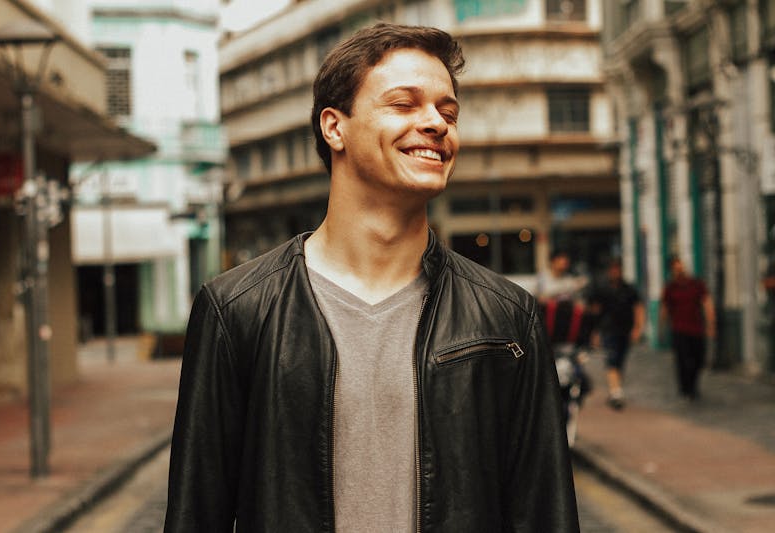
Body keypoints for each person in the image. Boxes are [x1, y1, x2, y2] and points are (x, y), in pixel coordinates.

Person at [165, 23, 577, 532]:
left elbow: (545, 514)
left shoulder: (507, 316)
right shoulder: (238, 310)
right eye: (405, 105)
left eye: (448, 112)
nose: (436, 124)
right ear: (334, 127)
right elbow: (195, 514)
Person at [587, 259, 645, 410]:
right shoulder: (602, 289)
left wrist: (638, 328)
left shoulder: (629, 289)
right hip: (608, 330)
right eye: (612, 269)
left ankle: (616, 389)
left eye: (617, 269)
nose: (615, 272)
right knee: (612, 360)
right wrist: (594, 332)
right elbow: (595, 311)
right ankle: (616, 392)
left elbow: (638, 308)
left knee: (619, 361)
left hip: (624, 330)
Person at [660, 256, 716, 400]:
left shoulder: (697, 284)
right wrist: (661, 327)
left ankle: (692, 384)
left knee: (699, 359)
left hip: (696, 328)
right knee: (683, 360)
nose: (679, 270)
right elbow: (664, 308)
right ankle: (687, 388)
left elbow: (707, 303)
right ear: (672, 270)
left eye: (681, 266)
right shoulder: (670, 287)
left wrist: (711, 323)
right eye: (676, 268)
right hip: (679, 329)